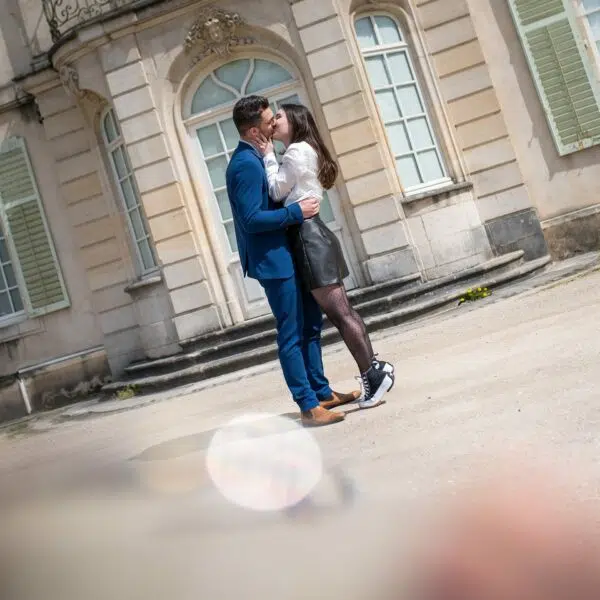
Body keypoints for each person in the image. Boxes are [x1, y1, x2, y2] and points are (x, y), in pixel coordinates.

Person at [225, 95, 360, 427]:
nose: (275, 125)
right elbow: (250, 220)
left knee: (311, 325)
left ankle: (321, 392)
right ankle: (307, 406)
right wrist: (295, 212)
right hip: (273, 260)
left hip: (291, 252)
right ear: (255, 129)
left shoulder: (264, 157)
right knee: (291, 333)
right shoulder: (243, 164)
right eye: (270, 121)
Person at [254, 103, 395, 409]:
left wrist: (266, 157)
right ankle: (375, 370)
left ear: (295, 121)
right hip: (314, 234)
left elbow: (278, 192)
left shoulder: (294, 152)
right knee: (344, 311)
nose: (274, 121)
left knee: (340, 314)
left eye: (279, 116)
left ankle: (372, 374)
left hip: (308, 238)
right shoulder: (305, 149)